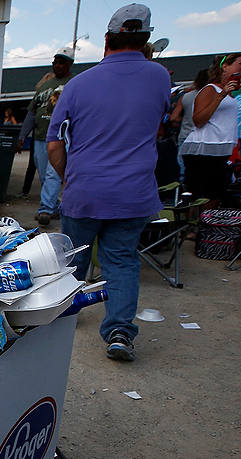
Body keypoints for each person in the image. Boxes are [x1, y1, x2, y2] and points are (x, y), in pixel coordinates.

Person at [47, 3, 170, 363]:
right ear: (145, 39)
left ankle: (57, 320)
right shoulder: (160, 76)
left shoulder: (78, 84)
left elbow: (55, 143)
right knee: (122, 261)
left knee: (72, 262)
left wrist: (69, 177)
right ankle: (118, 331)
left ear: (106, 40)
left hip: (85, 189)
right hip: (133, 193)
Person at [180, 53, 241, 208]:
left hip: (221, 150)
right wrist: (219, 97)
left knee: (217, 192)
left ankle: (207, 225)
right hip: (203, 148)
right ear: (225, 67)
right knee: (197, 192)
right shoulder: (210, 89)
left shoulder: (230, 93)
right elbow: (199, 120)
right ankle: (190, 228)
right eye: (240, 63)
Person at [20, 48, 75, 226]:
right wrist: (22, 135)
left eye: (62, 61)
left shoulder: (75, 84)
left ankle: (45, 209)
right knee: (44, 175)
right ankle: (55, 206)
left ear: (70, 64)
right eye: (55, 61)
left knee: (53, 174)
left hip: (62, 138)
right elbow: (31, 112)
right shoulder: (44, 86)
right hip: (40, 136)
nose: (57, 65)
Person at [169, 69, 210, 179]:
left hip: (185, 135)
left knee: (183, 168)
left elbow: (173, 117)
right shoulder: (212, 96)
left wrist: (185, 118)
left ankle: (182, 190)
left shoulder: (186, 96)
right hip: (204, 137)